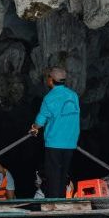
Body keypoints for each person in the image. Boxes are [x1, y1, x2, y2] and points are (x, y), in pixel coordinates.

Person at [29, 67, 80, 198]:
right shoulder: (73, 95)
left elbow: (41, 120)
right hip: (71, 142)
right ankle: (62, 199)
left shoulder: (49, 98)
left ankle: (53, 203)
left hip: (55, 142)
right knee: (64, 174)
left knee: (53, 175)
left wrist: (34, 127)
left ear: (51, 80)